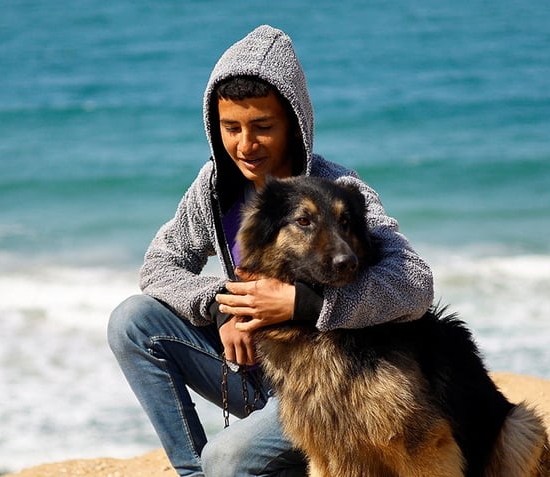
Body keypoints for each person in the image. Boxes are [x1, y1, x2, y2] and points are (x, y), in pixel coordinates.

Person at [108, 24, 434, 476]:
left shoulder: (336, 190)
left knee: (227, 458)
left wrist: (303, 304)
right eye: (231, 128)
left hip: (327, 387)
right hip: (256, 371)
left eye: (262, 127)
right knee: (133, 321)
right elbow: (159, 265)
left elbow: (415, 284)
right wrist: (229, 305)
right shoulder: (213, 189)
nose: (245, 145)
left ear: (294, 124)